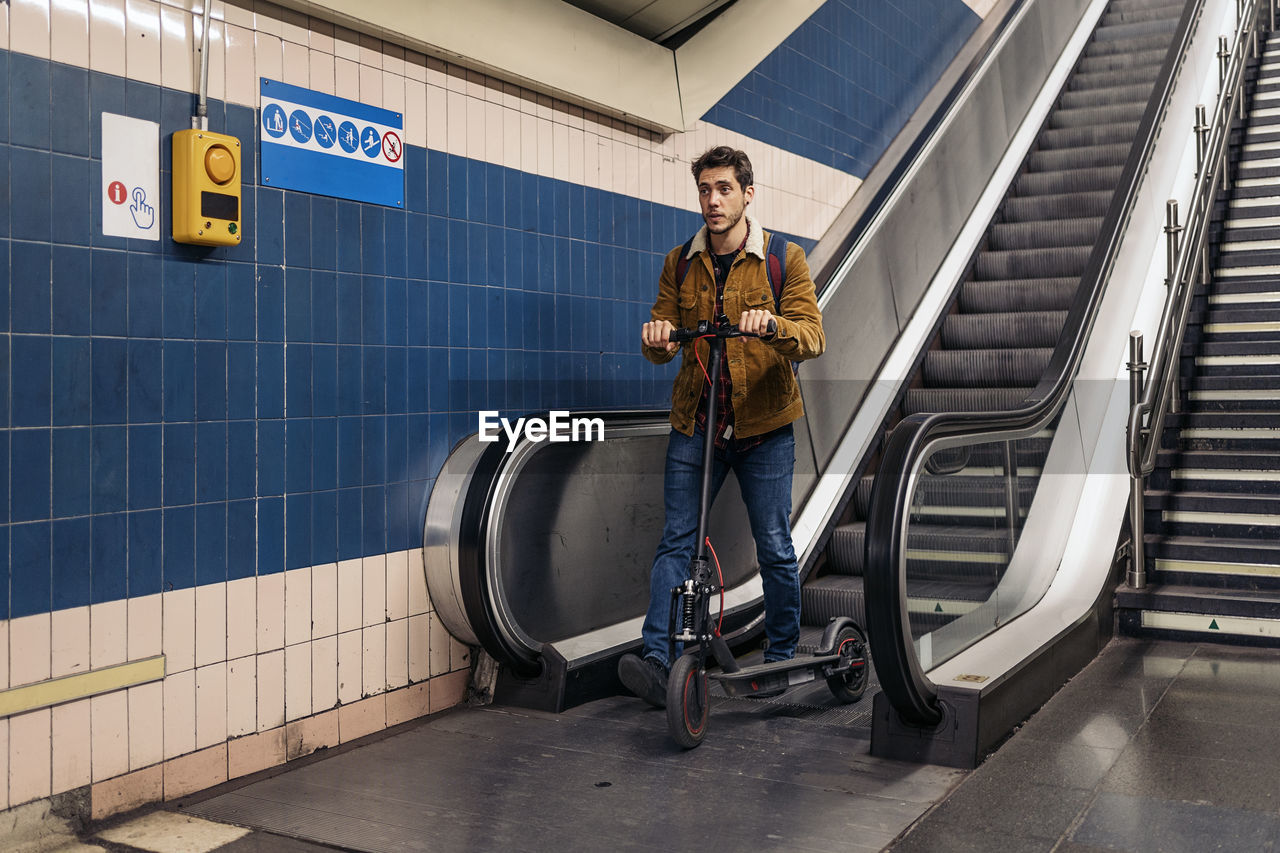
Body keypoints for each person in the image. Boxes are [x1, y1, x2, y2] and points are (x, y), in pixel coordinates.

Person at [617, 146, 825, 708]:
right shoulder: (680, 262)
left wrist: (773, 326)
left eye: (724, 189)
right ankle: (657, 660)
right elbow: (664, 343)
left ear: (748, 193)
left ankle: (781, 655)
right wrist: (654, 340)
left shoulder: (784, 258)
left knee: (776, 547)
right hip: (697, 424)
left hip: (764, 428)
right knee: (676, 543)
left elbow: (812, 335)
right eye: (705, 189)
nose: (713, 200)